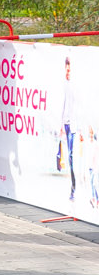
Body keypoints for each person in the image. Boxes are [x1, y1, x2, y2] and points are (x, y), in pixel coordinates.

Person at [60, 57, 76, 200]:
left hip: (75, 125)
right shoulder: (63, 84)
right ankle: (73, 188)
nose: (68, 70)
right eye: (67, 67)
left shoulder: (76, 85)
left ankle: (74, 188)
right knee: (69, 156)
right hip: (66, 123)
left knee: (74, 157)